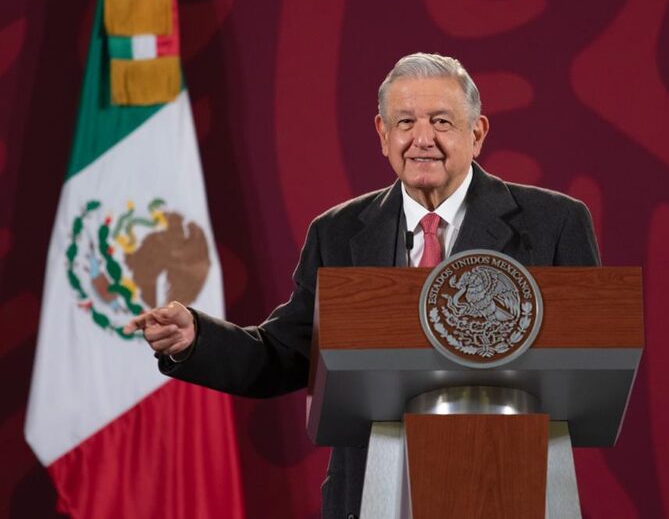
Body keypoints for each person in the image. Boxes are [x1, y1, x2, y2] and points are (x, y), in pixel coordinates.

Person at [125, 52, 600, 518]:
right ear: (382, 134)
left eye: (441, 121)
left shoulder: (553, 224)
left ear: (477, 134)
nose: (422, 139)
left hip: (508, 486)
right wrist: (194, 340)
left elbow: (592, 356)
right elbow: (286, 354)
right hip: (372, 493)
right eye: (406, 122)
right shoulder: (337, 232)